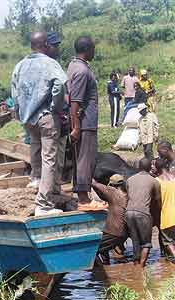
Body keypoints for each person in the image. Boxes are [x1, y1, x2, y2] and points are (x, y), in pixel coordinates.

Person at [11, 31, 67, 215]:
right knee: (49, 158)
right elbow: (59, 85)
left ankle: (35, 182)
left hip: (28, 118)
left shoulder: (20, 65)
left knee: (35, 148)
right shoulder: (50, 64)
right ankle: (43, 205)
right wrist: (55, 106)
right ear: (45, 44)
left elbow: (14, 93)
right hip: (45, 116)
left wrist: (21, 112)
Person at [67, 36, 106, 211]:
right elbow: (75, 100)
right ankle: (83, 199)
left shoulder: (73, 66)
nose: (95, 52)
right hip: (85, 122)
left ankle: (83, 194)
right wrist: (76, 126)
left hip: (82, 121)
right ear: (88, 49)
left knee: (80, 158)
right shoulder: (82, 71)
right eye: (94, 48)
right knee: (85, 159)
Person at [126, 158, 161, 268]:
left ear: (139, 167)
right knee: (146, 243)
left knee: (135, 241)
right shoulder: (154, 181)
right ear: (150, 167)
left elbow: (128, 196)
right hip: (143, 213)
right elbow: (158, 200)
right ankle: (141, 269)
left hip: (128, 213)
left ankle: (135, 265)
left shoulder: (129, 180)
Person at [92, 175, 128, 265]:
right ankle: (106, 263)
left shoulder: (114, 192)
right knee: (104, 249)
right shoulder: (127, 194)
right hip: (124, 233)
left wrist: (85, 174)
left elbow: (95, 185)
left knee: (91, 250)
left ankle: (100, 270)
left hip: (114, 232)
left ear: (112, 185)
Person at [155, 158, 175, 262]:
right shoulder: (174, 178)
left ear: (157, 168)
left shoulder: (157, 181)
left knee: (168, 241)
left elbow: (157, 202)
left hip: (167, 217)